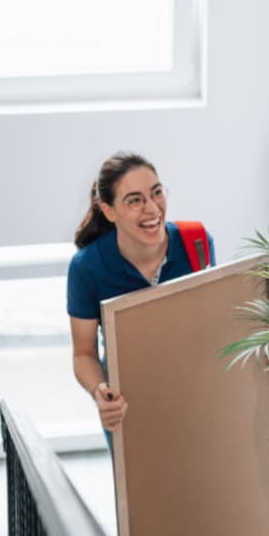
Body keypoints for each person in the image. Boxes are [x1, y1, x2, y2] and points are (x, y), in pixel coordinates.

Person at [67, 151, 215, 441]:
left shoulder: (197, 241)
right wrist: (100, 391)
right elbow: (83, 354)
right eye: (134, 200)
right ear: (109, 212)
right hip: (128, 408)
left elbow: (209, 321)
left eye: (156, 193)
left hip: (196, 397)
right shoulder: (87, 267)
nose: (152, 208)